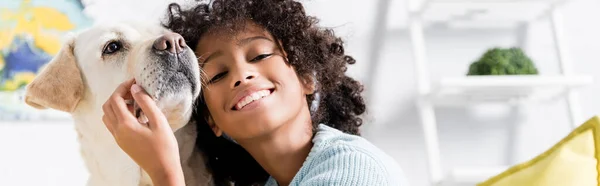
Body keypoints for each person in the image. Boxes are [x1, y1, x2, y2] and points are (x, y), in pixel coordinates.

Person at [101, 0, 408, 185]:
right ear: (212, 121)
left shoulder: (353, 168)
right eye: (218, 74)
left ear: (305, 77)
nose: (242, 75)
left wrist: (163, 169)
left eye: (260, 56)